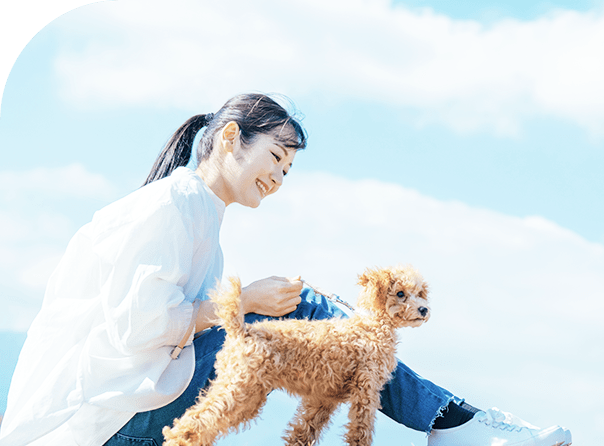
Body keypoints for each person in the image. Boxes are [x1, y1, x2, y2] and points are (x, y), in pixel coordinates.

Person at [0, 93, 571, 446]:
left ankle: (451, 420)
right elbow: (137, 331)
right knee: (314, 312)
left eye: (289, 169)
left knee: (318, 318)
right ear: (230, 139)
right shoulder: (169, 208)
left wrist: (247, 301)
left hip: (130, 416)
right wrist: (244, 300)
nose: (278, 177)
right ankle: (453, 422)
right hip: (105, 424)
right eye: (275, 157)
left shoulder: (199, 216)